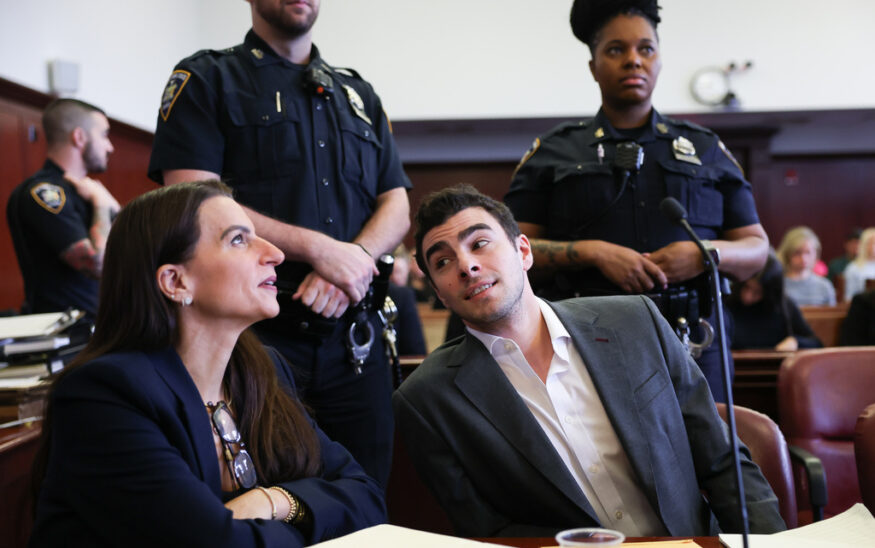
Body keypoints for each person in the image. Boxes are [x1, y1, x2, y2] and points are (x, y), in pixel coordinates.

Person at [394, 184, 785, 538]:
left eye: (479, 243)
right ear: (439, 294)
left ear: (524, 251)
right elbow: (487, 531)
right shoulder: (427, 400)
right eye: (442, 262)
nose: (466, 266)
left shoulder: (635, 322)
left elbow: (722, 462)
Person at [29, 181, 385, 547]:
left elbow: (367, 497)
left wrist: (277, 501)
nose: (275, 253)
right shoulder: (104, 395)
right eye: (238, 240)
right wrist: (314, 514)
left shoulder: (263, 368)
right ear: (176, 281)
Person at [147, 0, 411, 487]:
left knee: (367, 497)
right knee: (262, 499)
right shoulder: (207, 79)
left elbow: (396, 205)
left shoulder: (358, 94)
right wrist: (321, 250)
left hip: (356, 339)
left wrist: (353, 262)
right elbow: (190, 198)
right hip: (254, 340)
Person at [503, 0, 769, 403]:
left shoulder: (705, 148)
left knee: (707, 460)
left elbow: (757, 248)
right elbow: (511, 253)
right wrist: (591, 253)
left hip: (695, 341)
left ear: (659, 60)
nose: (633, 61)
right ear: (593, 66)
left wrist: (703, 254)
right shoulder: (554, 152)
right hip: (586, 343)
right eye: (616, 50)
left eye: (646, 49)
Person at [6, 98, 118, 318]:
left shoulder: (88, 193)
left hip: (99, 329)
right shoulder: (43, 193)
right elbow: (99, 264)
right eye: (104, 135)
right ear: (79, 137)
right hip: (66, 338)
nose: (110, 147)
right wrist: (104, 206)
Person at [728, 250, 821, 351]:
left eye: (757, 292)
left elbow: (816, 343)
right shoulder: (726, 302)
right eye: (746, 287)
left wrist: (796, 341)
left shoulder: (784, 307)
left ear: (770, 293)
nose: (748, 296)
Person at [776, 226, 836, 307]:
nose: (803, 258)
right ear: (787, 253)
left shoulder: (825, 286)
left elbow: (830, 317)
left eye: (808, 252)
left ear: (816, 254)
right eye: (797, 252)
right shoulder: (777, 285)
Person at [842, 228, 875, 302]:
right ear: (865, 245)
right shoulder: (853, 268)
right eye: (873, 243)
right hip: (864, 308)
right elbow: (848, 297)